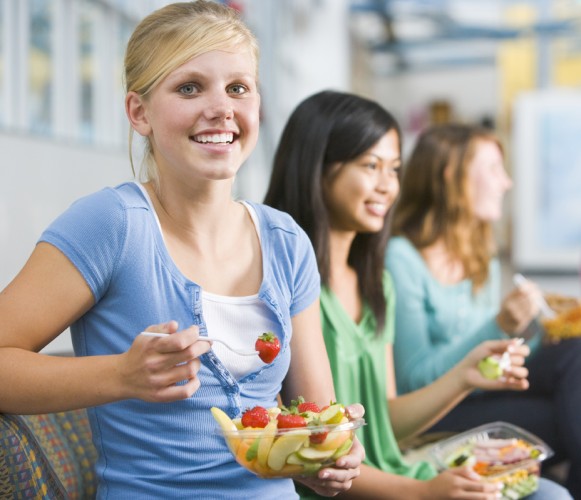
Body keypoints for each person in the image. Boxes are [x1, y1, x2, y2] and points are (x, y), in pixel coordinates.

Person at [0, 2, 363, 498]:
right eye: (189, 87)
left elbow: (311, 417)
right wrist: (121, 376)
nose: (222, 108)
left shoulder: (287, 241)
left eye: (238, 87)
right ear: (139, 112)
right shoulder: (112, 224)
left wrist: (330, 453)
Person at [265, 90, 572, 500]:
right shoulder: (283, 285)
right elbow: (314, 454)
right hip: (347, 490)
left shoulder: (376, 283)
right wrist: (422, 491)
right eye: (370, 166)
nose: (386, 186)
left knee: (547, 492)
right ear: (316, 168)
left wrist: (464, 376)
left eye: (393, 169)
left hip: (396, 474)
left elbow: (385, 424)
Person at [387, 123, 581, 500]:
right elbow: (414, 380)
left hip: (478, 394)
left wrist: (540, 336)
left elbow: (490, 363)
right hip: (432, 415)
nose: (505, 182)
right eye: (493, 169)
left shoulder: (480, 258)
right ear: (451, 174)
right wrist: (499, 326)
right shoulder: (401, 259)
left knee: (576, 356)